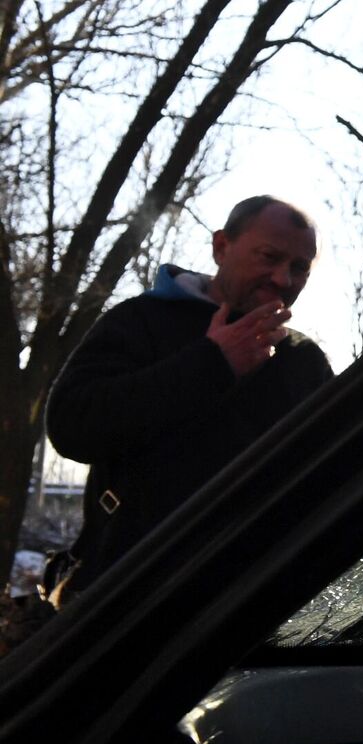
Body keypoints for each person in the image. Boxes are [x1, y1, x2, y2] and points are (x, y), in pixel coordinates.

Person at [42, 195, 335, 605]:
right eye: (269, 257)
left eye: (299, 268)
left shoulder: (304, 362)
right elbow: (71, 426)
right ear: (221, 247)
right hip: (123, 604)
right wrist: (212, 363)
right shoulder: (141, 321)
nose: (283, 279)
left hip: (251, 609)